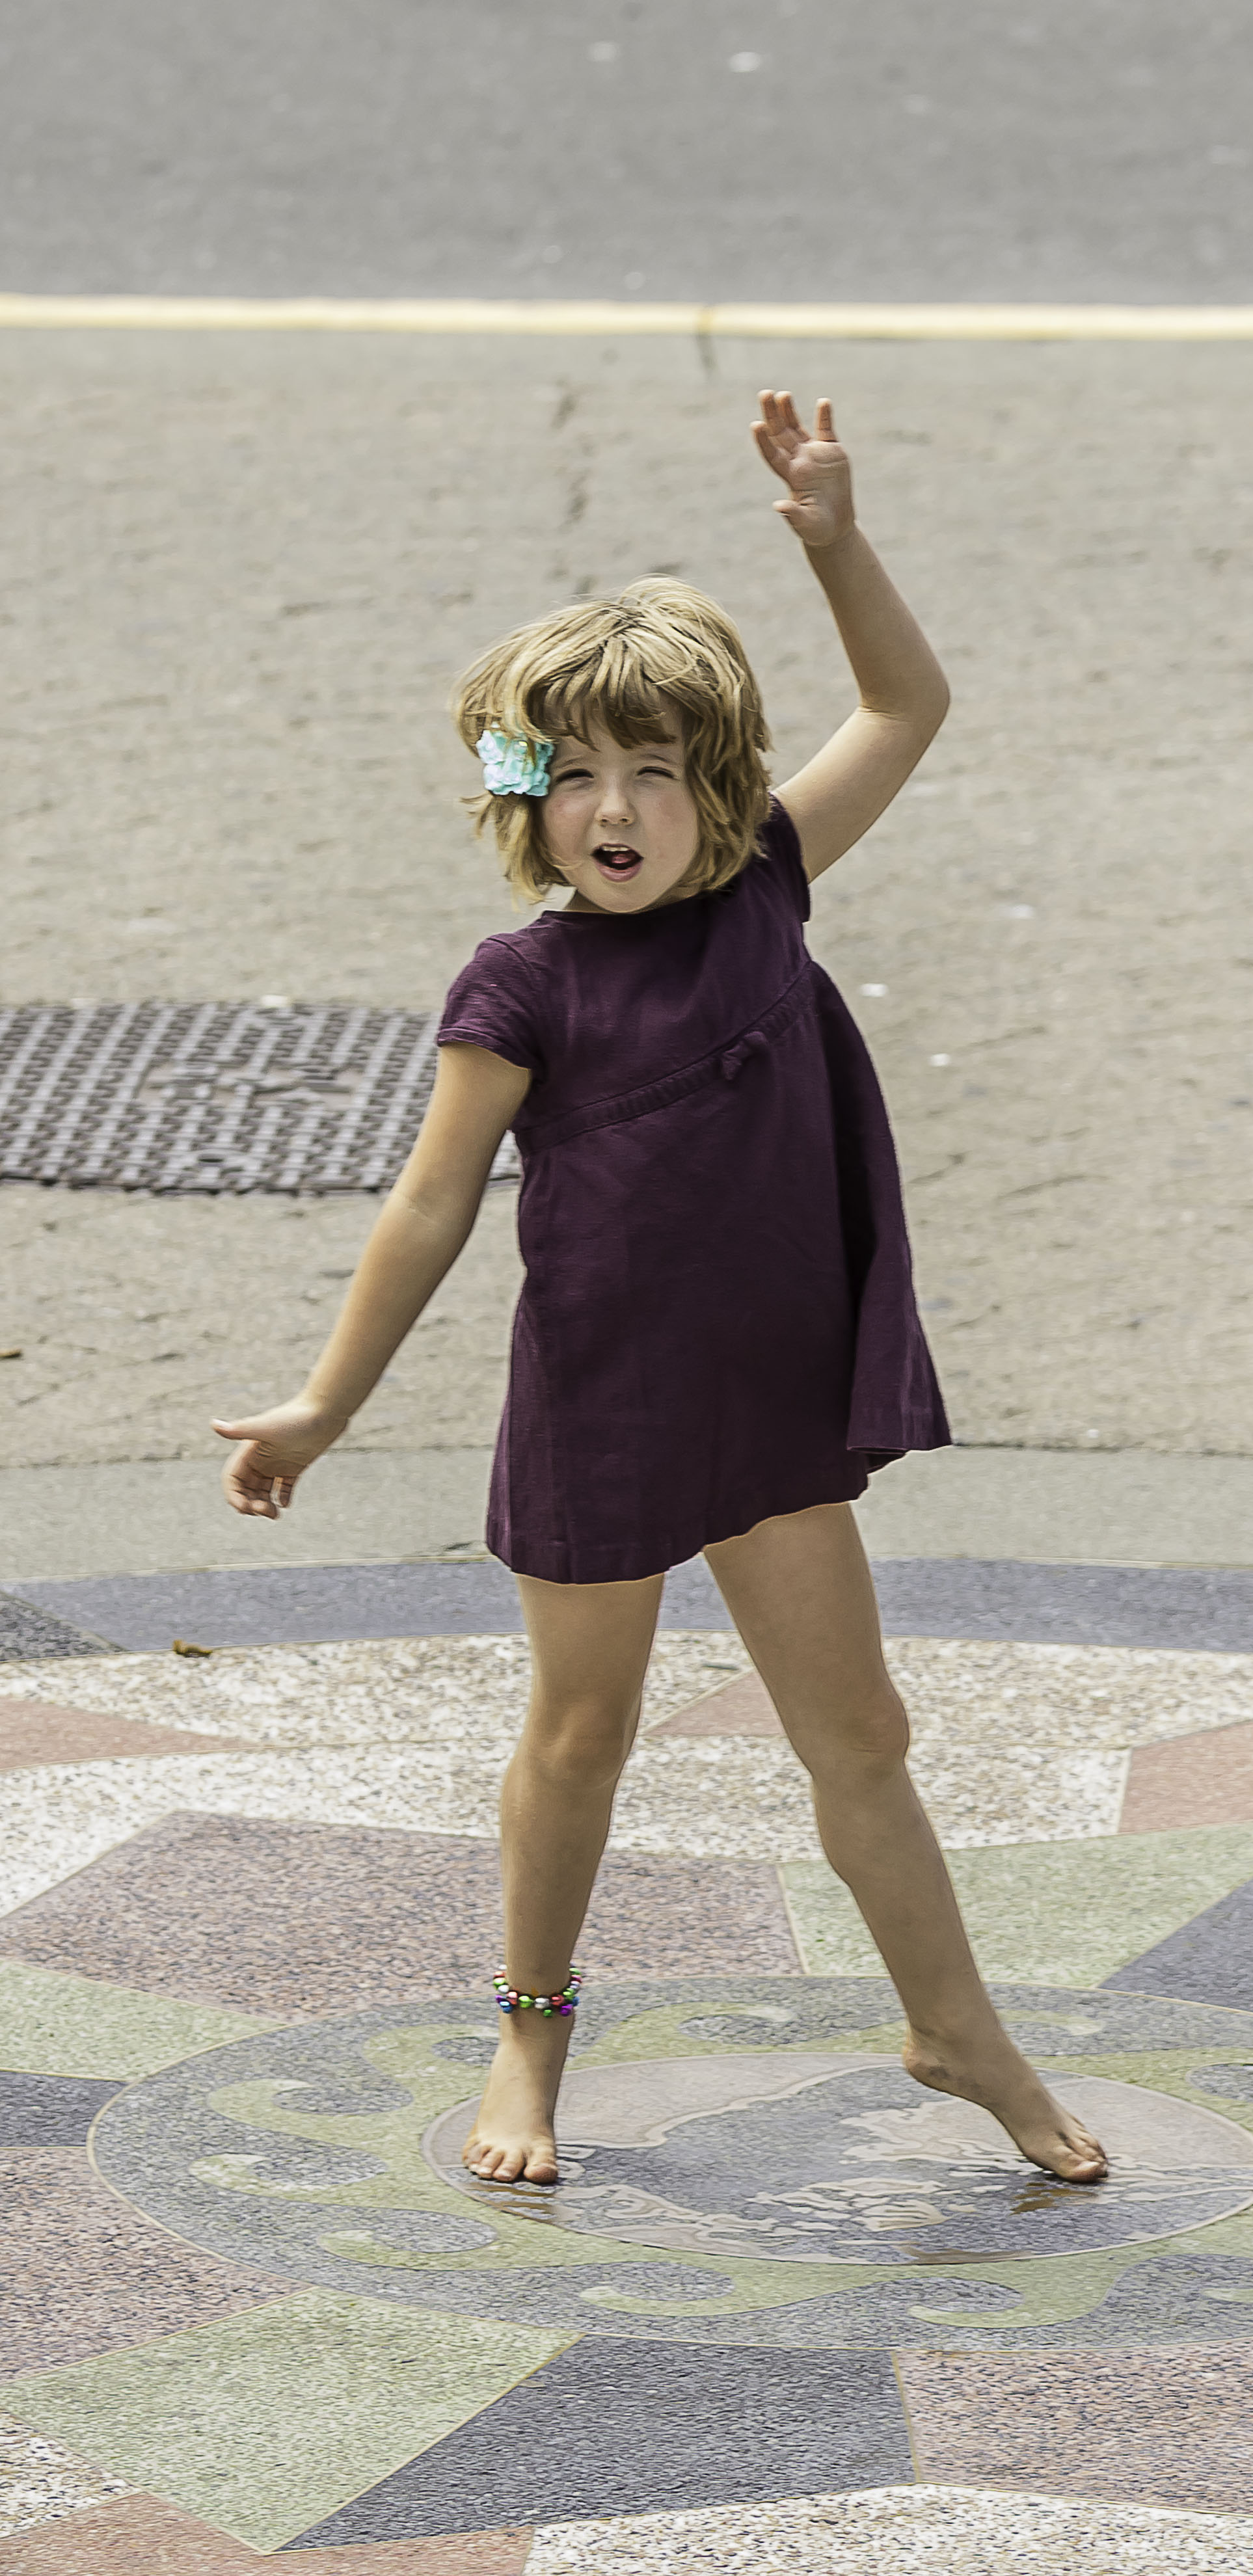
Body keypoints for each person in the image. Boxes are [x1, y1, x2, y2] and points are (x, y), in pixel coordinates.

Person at [215, 392, 1106, 2192]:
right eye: (576, 779)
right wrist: (325, 1400)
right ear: (525, 801)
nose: (615, 814)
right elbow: (428, 1207)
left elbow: (908, 710)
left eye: (657, 774)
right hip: (606, 1406)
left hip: (770, 1401)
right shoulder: (521, 985)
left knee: (860, 1730)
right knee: (581, 1729)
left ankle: (958, 2030)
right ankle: (528, 2025)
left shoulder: (766, 881)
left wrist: (834, 542)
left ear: (720, 790)